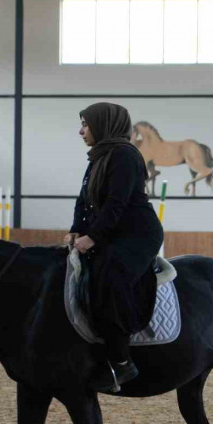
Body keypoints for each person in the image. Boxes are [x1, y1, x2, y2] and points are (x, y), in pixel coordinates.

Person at [63, 102, 164, 393]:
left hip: (136, 235)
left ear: (103, 125)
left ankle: (121, 362)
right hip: (112, 232)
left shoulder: (125, 155)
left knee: (109, 276)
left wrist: (92, 237)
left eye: (86, 124)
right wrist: (75, 230)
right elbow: (83, 201)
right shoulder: (97, 157)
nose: (81, 131)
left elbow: (116, 204)